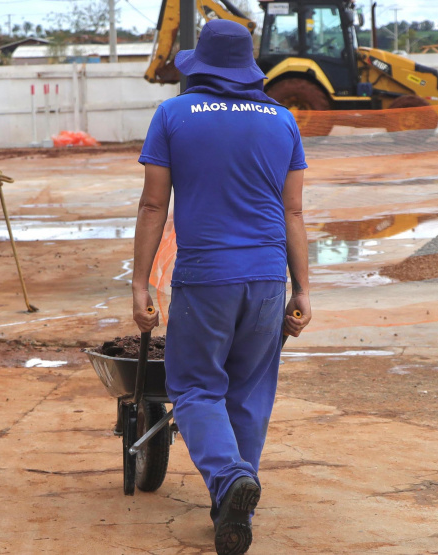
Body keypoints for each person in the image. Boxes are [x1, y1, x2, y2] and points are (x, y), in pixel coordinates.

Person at [131, 19, 312, 555]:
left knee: (192, 388)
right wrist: (302, 289)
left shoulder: (173, 114)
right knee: (249, 392)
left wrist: (140, 283)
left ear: (200, 67)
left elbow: (152, 205)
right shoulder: (282, 121)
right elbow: (294, 211)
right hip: (265, 279)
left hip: (206, 276)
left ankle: (231, 479)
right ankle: (234, 513)